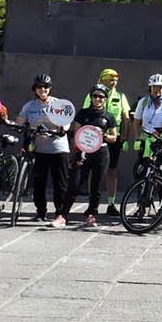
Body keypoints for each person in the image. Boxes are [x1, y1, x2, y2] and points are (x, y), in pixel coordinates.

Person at [17, 73, 72, 227]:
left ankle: (60, 215)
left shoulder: (58, 104)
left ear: (50, 88)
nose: (43, 89)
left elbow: (66, 123)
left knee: (59, 183)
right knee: (39, 182)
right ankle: (40, 212)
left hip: (58, 149)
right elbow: (20, 122)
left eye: (46, 87)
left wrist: (63, 129)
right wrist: (16, 126)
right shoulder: (29, 106)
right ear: (35, 89)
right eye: (40, 87)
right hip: (39, 149)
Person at [84, 67, 132, 216]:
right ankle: (93, 204)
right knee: (93, 171)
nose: (114, 81)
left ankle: (111, 203)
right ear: (102, 79)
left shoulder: (120, 96)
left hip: (113, 137)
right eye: (111, 78)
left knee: (112, 170)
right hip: (94, 137)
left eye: (116, 78)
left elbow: (126, 118)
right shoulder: (93, 94)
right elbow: (85, 113)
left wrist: (124, 138)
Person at [71, 84, 119, 227]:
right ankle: (63, 213)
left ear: (105, 99)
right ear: (91, 97)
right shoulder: (83, 113)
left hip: (101, 152)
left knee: (96, 185)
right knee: (75, 182)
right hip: (84, 151)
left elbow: (114, 137)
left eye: (101, 97)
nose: (98, 99)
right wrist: (77, 151)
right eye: (95, 96)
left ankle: (92, 213)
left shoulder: (109, 116)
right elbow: (76, 133)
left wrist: (102, 135)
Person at [132, 73, 162, 172]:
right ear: (150, 88)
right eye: (154, 87)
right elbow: (136, 122)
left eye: (160, 87)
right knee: (140, 172)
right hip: (145, 141)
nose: (157, 90)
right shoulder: (143, 102)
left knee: (159, 172)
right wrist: (137, 139)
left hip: (161, 142)